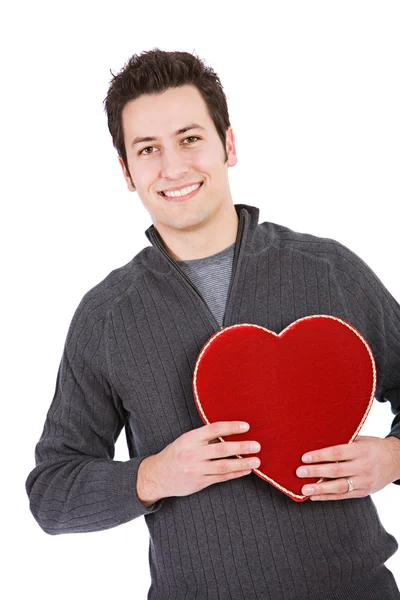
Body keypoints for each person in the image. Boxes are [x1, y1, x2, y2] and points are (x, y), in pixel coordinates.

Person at [26, 48, 400, 599]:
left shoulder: (329, 271)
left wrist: (393, 458)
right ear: (128, 173)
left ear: (228, 144)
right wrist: (151, 476)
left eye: (190, 138)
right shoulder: (106, 315)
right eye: (148, 149)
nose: (173, 167)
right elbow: (52, 493)